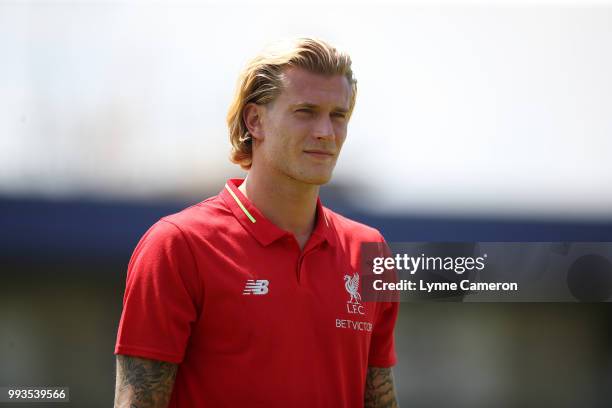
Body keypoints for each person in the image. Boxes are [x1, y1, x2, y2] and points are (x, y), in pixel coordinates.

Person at [114, 37, 399, 408]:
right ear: (255, 120)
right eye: (305, 111)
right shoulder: (177, 245)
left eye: (338, 115)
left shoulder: (369, 250)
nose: (326, 133)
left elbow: (379, 398)